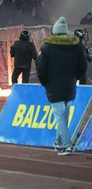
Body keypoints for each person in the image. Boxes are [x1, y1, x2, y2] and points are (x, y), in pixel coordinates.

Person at [36, 16, 87, 155]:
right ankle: (59, 142)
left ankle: (66, 145)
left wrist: (44, 82)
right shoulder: (76, 46)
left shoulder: (46, 47)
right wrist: (76, 77)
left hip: (53, 85)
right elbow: (83, 66)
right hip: (70, 85)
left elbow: (41, 68)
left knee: (60, 115)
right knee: (63, 116)